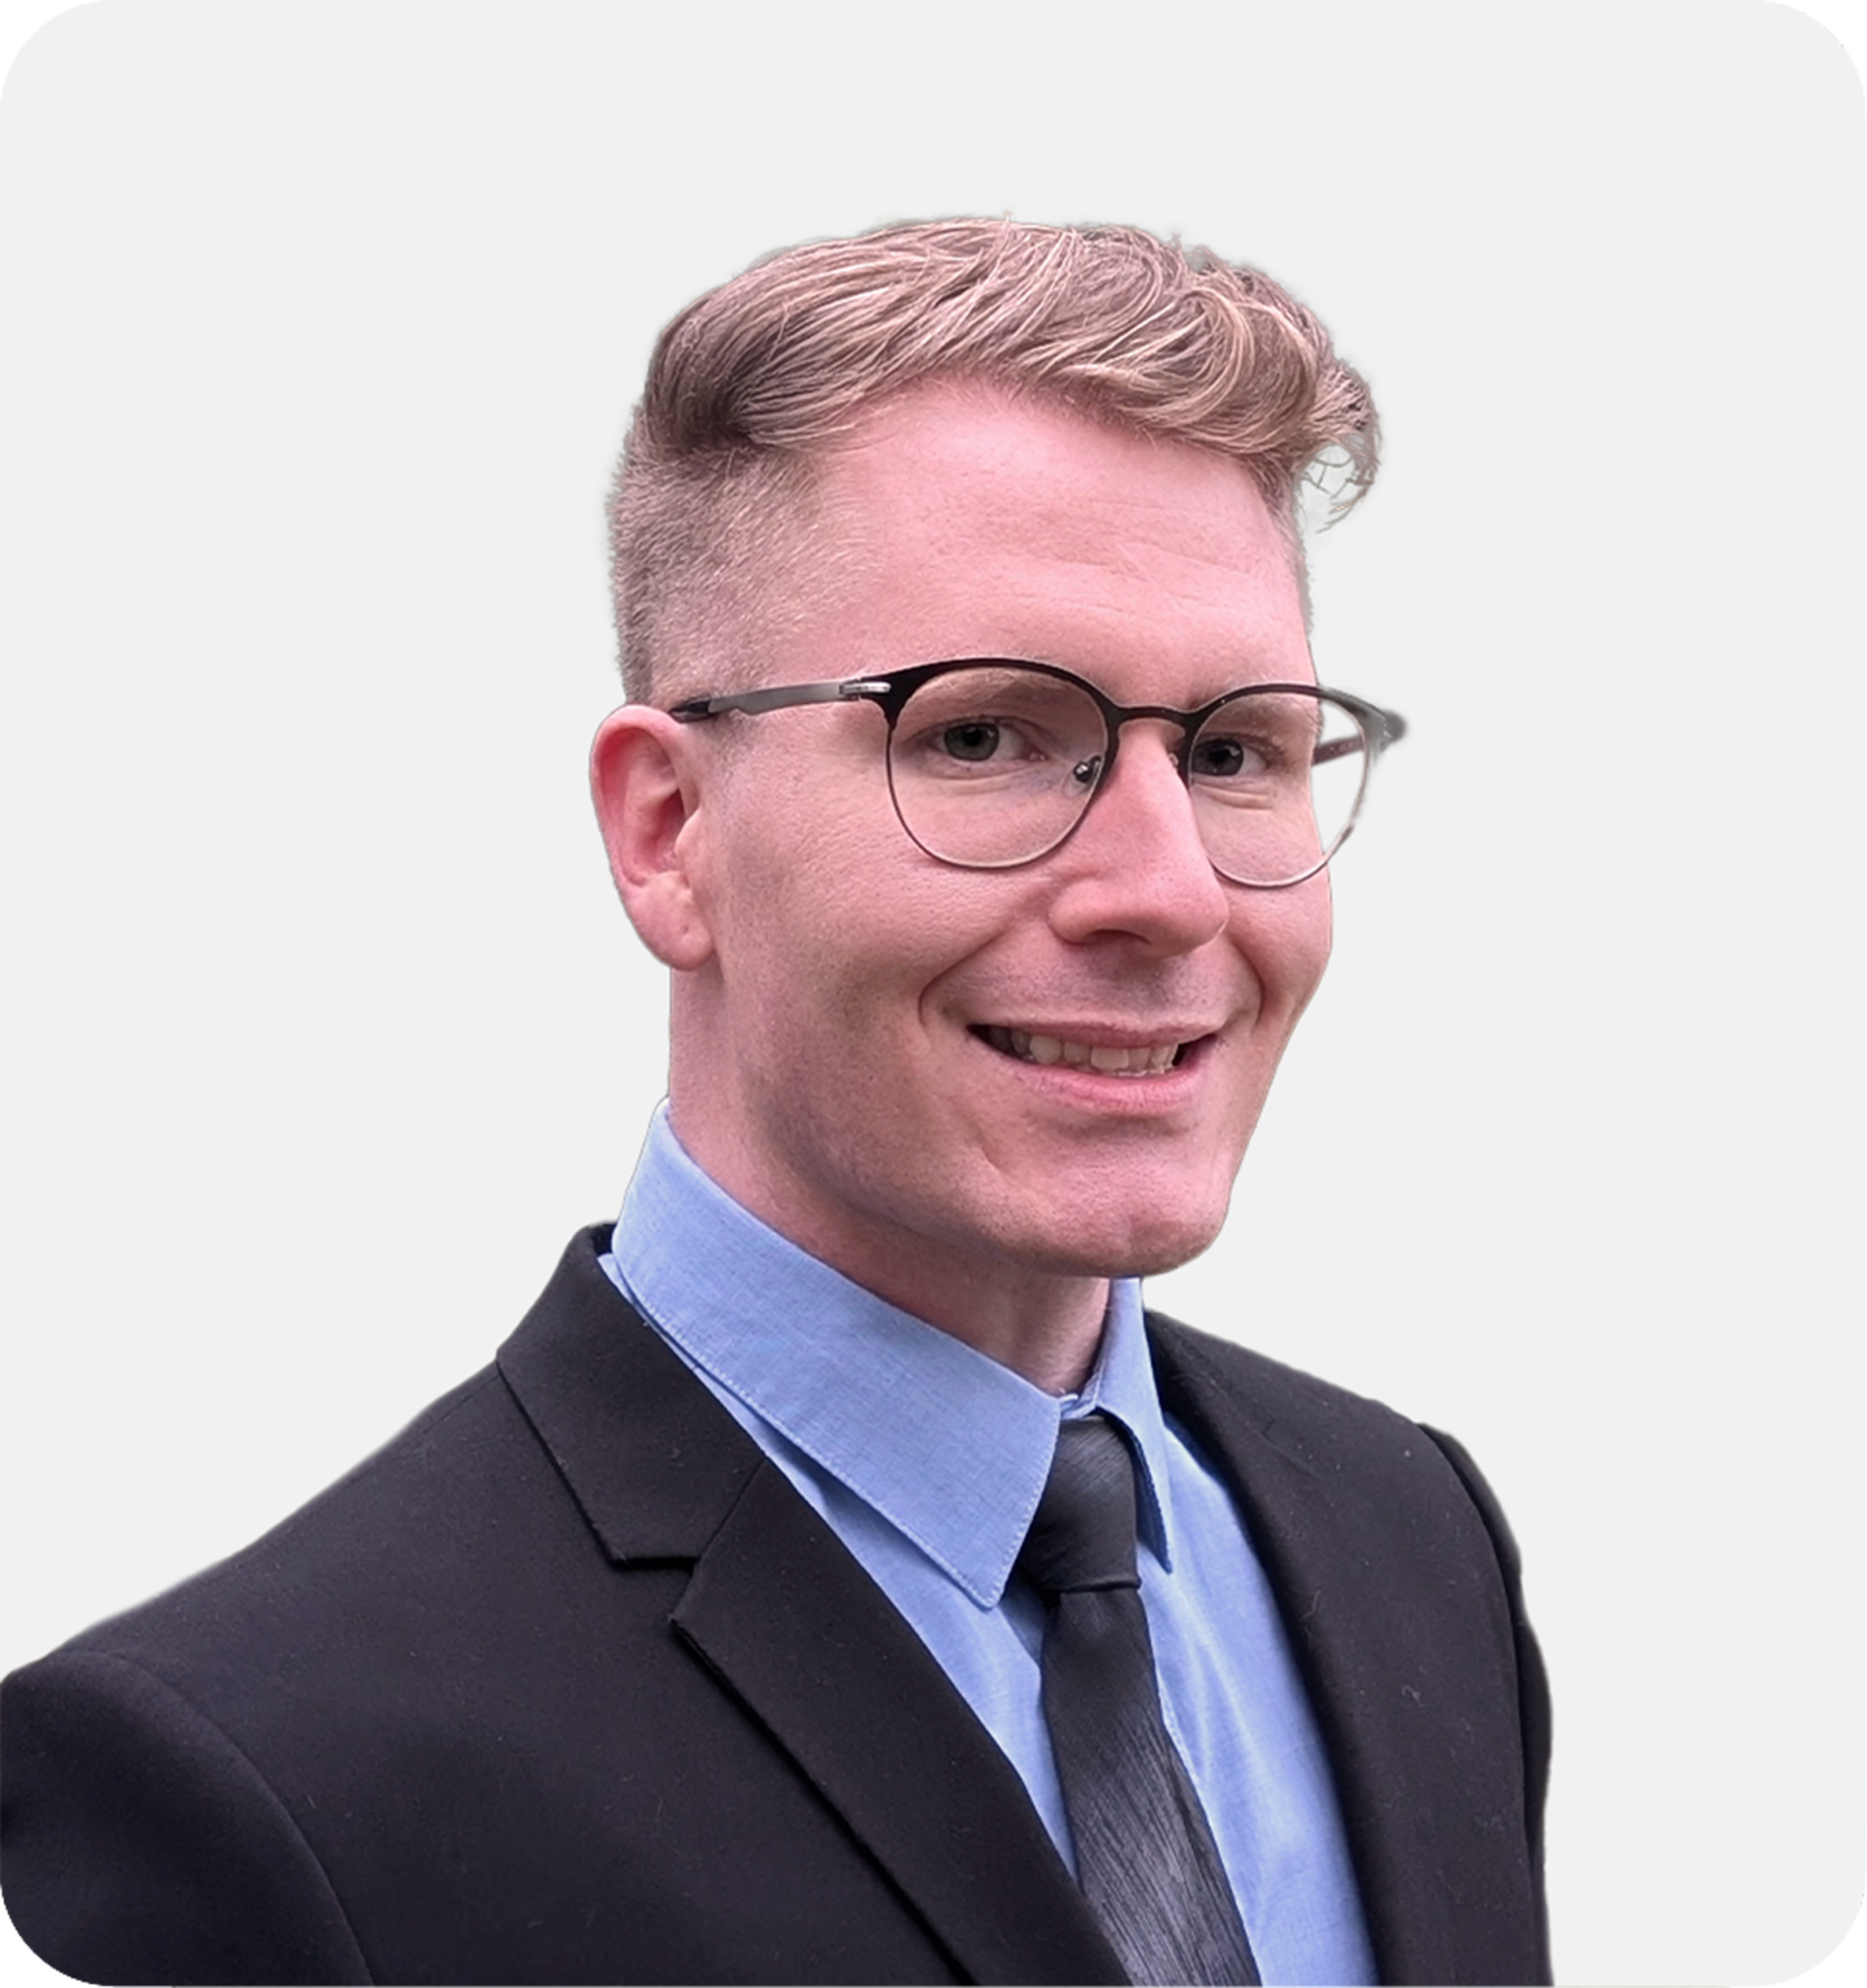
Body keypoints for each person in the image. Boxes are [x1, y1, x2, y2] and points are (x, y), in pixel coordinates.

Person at [0, 219, 1552, 1987]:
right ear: (668, 832)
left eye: (1231, 750)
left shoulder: (1405, 1540)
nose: (1168, 889)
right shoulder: (239, 1784)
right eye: (980, 734)